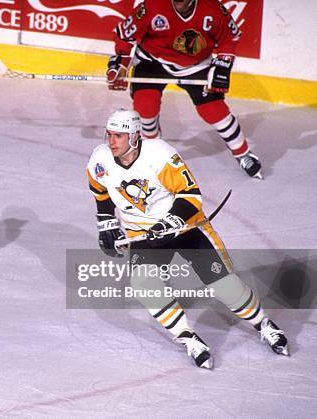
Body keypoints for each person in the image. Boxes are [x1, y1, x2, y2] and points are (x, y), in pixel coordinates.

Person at [86, 108, 287, 368]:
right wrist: (106, 225)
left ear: (135, 136)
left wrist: (171, 220)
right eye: (109, 135)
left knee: (224, 286)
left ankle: (263, 323)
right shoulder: (100, 160)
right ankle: (188, 337)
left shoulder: (160, 155)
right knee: (145, 286)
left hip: (187, 228)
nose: (111, 141)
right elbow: (101, 193)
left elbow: (190, 195)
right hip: (142, 235)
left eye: (119, 136)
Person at [106, 0, 263, 179]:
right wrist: (121, 64)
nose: (178, 3)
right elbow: (124, 34)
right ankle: (153, 149)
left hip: (196, 64)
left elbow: (230, 37)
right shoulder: (153, 5)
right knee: (145, 107)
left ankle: (243, 154)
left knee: (213, 111)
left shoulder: (212, 9)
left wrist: (221, 66)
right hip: (153, 61)